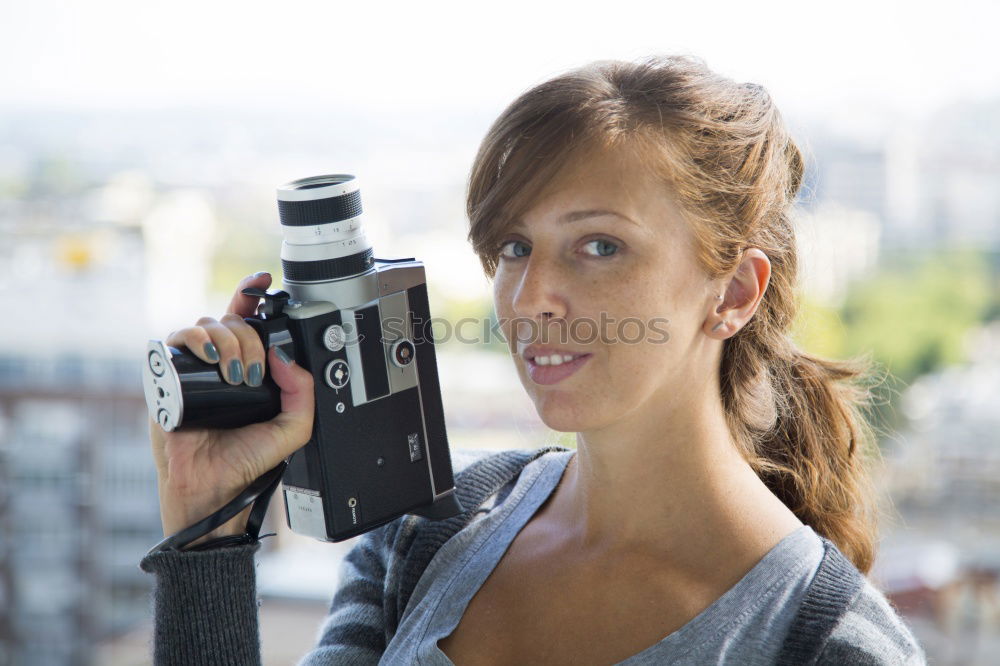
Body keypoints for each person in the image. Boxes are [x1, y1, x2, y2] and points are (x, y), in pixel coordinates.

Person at [140, 55, 926, 665]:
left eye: (599, 245)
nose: (532, 295)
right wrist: (207, 539)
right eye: (514, 246)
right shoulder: (423, 538)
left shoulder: (829, 643)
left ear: (733, 292)